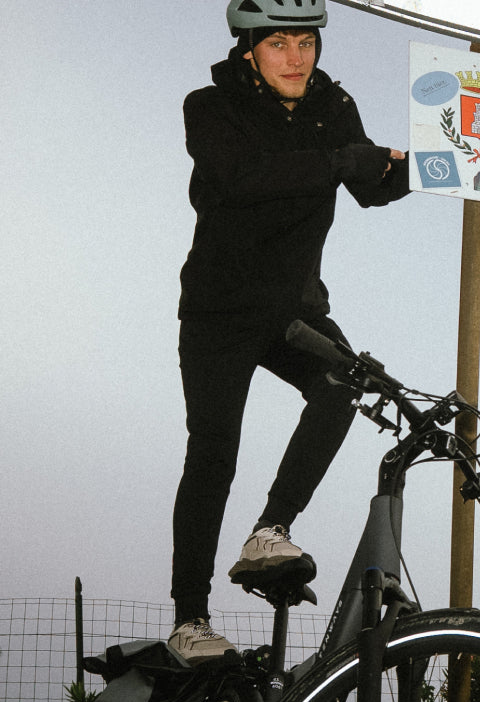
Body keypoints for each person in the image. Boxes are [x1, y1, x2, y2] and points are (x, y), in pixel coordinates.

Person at [169, 0, 411, 664]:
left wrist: (430, 167)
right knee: (213, 453)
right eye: (279, 43)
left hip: (293, 306)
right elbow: (241, 178)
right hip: (219, 307)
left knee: (343, 382)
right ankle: (189, 620)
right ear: (249, 50)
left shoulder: (333, 105)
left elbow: (371, 186)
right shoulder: (210, 108)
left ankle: (269, 532)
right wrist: (342, 160)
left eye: (306, 42)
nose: (297, 58)